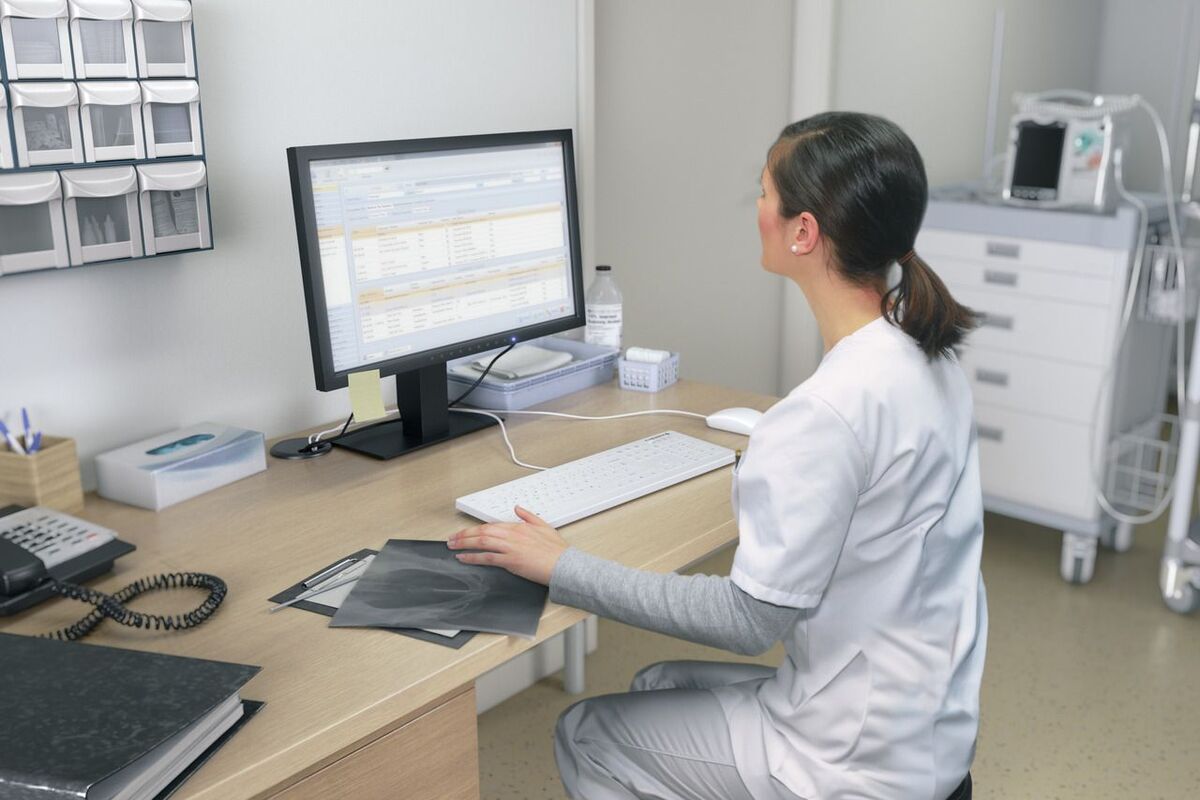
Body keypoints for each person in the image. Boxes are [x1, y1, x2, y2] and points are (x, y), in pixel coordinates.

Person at [448, 111, 987, 800]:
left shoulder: (826, 411)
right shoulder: (926, 356)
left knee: (587, 734)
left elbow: (747, 621)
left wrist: (562, 566)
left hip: (852, 758)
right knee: (658, 684)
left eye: (763, 192)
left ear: (803, 232)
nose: (755, 207)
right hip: (923, 723)